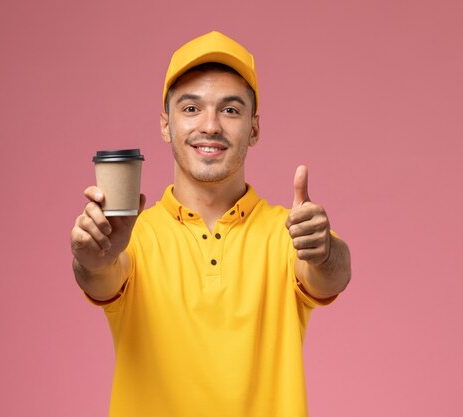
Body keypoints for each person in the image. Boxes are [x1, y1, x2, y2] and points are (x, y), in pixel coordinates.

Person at [70, 31, 351, 417]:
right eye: (191, 109)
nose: (211, 126)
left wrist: (325, 250)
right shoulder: (133, 237)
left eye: (230, 110)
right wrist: (94, 256)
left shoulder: (287, 232)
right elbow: (100, 277)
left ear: (253, 129)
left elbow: (332, 274)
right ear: (166, 125)